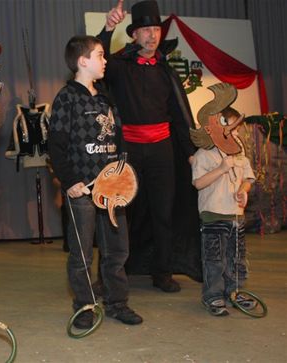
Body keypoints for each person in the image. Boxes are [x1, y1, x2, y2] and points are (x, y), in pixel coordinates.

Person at [97, 0, 201, 292]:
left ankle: (163, 273)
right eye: (145, 29)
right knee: (120, 213)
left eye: (155, 29)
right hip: (128, 149)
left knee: (163, 213)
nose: (152, 35)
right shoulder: (118, 65)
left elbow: (180, 115)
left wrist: (192, 153)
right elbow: (97, 62)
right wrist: (107, 28)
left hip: (162, 152)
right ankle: (113, 273)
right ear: (134, 34)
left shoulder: (166, 70)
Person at [48, 35, 142, 329]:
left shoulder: (105, 97)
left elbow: (119, 138)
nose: (105, 61)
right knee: (82, 254)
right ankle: (85, 306)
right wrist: (70, 181)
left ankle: (117, 303)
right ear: (82, 61)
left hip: (113, 189)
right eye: (100, 55)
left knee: (117, 250)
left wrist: (123, 173)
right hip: (83, 191)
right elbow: (56, 146)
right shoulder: (67, 97)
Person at [190, 83, 256, 316]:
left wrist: (244, 190)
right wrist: (220, 168)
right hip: (213, 216)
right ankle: (213, 296)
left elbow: (248, 178)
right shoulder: (203, 155)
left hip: (236, 216)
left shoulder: (239, 155)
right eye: (235, 130)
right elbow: (198, 183)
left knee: (236, 258)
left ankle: (234, 292)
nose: (238, 136)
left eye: (240, 131)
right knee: (215, 259)